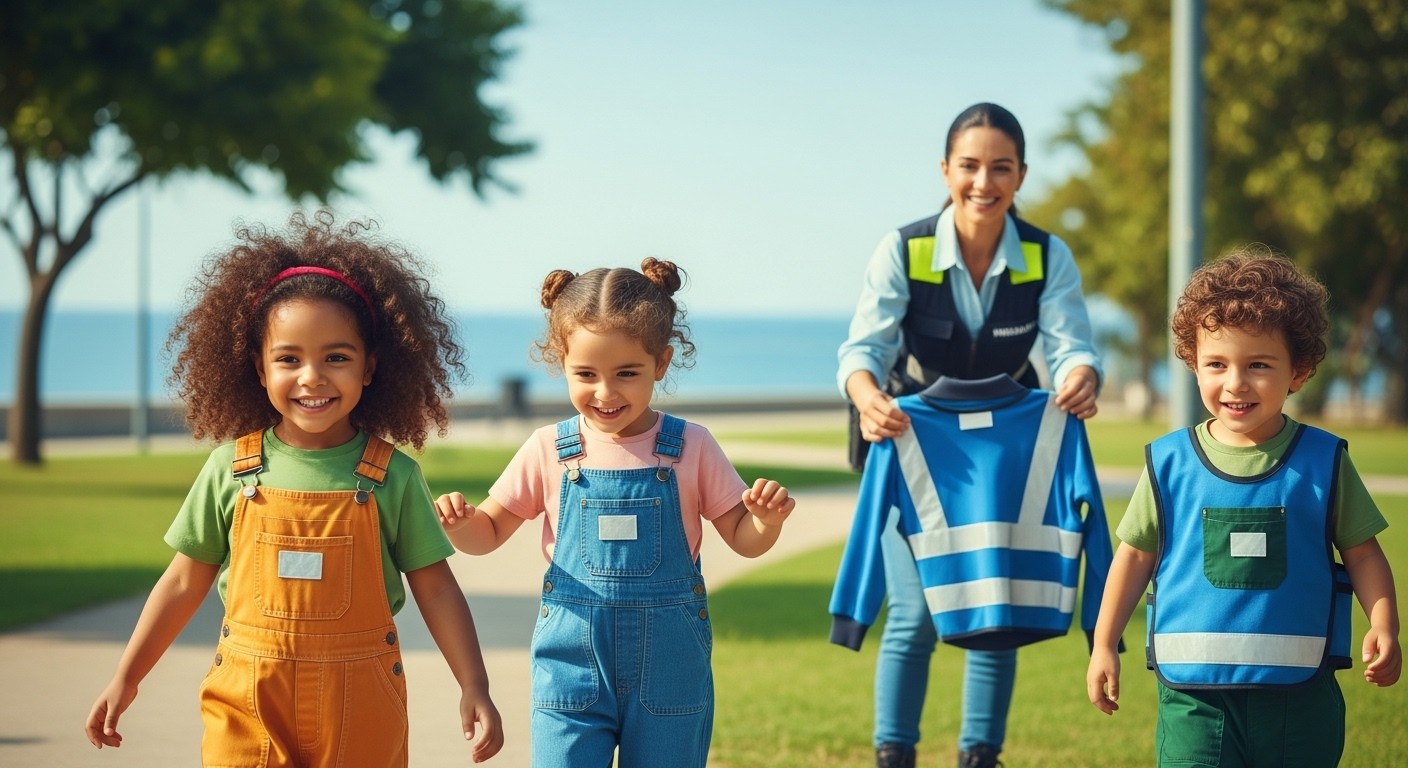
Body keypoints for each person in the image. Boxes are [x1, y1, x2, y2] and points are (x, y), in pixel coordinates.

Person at [84, 211, 504, 765]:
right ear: (259, 368)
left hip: (361, 706)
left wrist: (474, 684)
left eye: (337, 357)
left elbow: (437, 589)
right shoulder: (229, 469)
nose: (312, 377)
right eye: (289, 359)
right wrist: (127, 676)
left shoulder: (394, 475)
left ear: (370, 367)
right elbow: (183, 581)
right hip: (247, 699)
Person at [433, 258, 795, 768]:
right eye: (586, 374)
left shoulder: (692, 446)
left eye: (628, 373)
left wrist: (766, 521)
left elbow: (743, 536)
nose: (605, 393)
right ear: (562, 363)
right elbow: (487, 532)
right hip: (571, 670)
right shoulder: (548, 449)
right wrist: (460, 523)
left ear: (662, 364)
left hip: (670, 668)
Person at [836, 101, 1104, 768]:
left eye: (1001, 168)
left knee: (995, 610)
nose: (984, 183)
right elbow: (862, 350)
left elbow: (1073, 344)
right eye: (970, 166)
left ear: (1021, 175)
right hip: (915, 441)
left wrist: (1080, 377)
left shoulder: (1046, 256)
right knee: (914, 613)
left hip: (1001, 456)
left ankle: (980, 757)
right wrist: (869, 400)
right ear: (945, 169)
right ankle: (894, 756)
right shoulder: (905, 248)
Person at [1086, 248, 1400, 766]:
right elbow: (1134, 556)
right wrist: (1104, 644)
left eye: (1258, 364)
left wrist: (1384, 624)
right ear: (1192, 364)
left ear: (1298, 371)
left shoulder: (1324, 462)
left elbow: (1364, 554)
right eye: (1216, 364)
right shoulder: (1167, 463)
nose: (1234, 383)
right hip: (1194, 702)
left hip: (1302, 704)